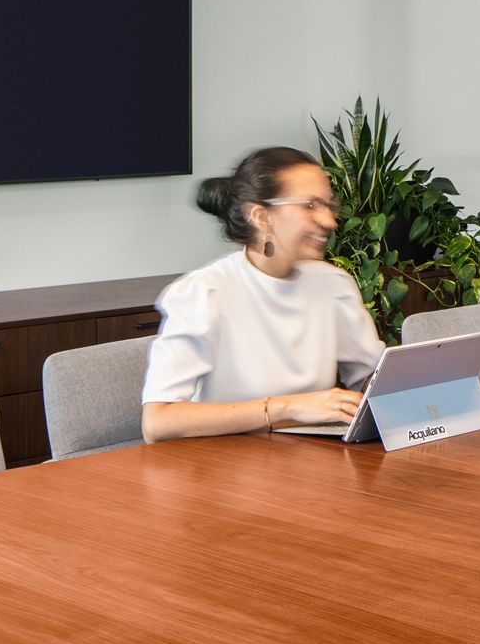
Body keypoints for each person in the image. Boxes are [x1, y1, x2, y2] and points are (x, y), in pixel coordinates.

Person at [140, 146, 385, 441]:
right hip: (222, 469)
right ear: (261, 216)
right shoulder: (204, 293)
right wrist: (287, 408)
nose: (329, 221)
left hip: (311, 464)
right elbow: (158, 422)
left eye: (329, 206)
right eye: (310, 205)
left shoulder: (334, 285)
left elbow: (372, 380)